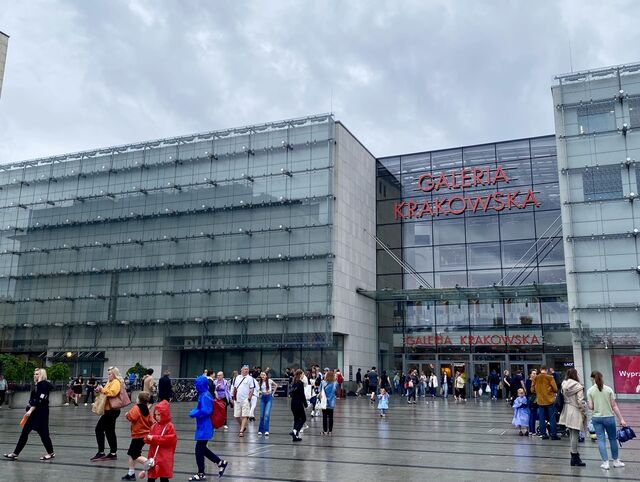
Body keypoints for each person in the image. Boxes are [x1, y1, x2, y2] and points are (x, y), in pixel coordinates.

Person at [3, 368, 54, 460]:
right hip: (35, 413)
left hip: (40, 414)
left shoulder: (43, 385)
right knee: (25, 433)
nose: (35, 375)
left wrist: (30, 410)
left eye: (37, 374)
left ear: (42, 375)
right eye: (34, 374)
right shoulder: (38, 385)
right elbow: (35, 398)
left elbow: (40, 400)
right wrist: (29, 406)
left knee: (44, 435)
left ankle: (50, 453)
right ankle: (15, 453)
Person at [188, 375, 228, 480]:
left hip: (205, 426)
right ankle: (220, 462)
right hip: (204, 425)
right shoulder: (204, 394)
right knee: (202, 448)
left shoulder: (205, 395)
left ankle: (201, 473)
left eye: (197, 384)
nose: (196, 386)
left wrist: (194, 412)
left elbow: (207, 410)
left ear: (201, 385)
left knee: (199, 449)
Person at [587, 370, 627, 470]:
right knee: (613, 439)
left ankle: (605, 463)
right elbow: (614, 406)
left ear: (592, 379)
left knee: (601, 440)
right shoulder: (608, 389)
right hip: (609, 417)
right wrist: (621, 419)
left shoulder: (590, 391)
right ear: (602, 378)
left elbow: (591, 407)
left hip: (597, 418)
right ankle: (616, 461)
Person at [91, 366, 126, 461]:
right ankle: (113, 452)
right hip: (110, 410)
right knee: (109, 431)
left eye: (110, 374)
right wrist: (100, 390)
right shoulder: (110, 382)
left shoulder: (116, 382)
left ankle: (101, 452)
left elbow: (113, 393)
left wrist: (102, 390)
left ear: (114, 374)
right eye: (108, 374)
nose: (108, 375)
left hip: (112, 411)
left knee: (99, 429)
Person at [140, 400, 178, 482]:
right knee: (151, 477)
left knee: (163, 477)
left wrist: (153, 438)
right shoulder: (154, 426)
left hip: (164, 457)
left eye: (159, 415)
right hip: (154, 455)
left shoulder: (169, 426)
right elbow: (149, 437)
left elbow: (169, 440)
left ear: (164, 414)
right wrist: (148, 438)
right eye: (156, 414)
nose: (157, 416)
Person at [559, 368, 587, 467]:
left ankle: (574, 456)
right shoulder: (578, 386)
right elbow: (580, 401)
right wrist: (583, 411)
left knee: (571, 434)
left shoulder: (564, 384)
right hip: (575, 410)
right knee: (575, 434)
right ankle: (574, 457)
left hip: (566, 409)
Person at [122, 391, 153, 480]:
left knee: (134, 454)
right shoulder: (147, 409)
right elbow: (151, 421)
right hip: (145, 435)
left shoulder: (136, 408)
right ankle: (131, 473)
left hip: (138, 434)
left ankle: (149, 463)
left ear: (138, 399)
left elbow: (133, 417)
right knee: (132, 454)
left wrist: (127, 415)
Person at [532, 366, 559, 440]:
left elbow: (532, 389)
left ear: (540, 370)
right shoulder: (550, 377)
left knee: (542, 418)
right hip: (549, 400)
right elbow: (555, 389)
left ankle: (543, 434)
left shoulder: (536, 378)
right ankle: (553, 435)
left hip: (540, 401)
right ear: (546, 370)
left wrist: (538, 392)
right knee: (552, 418)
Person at [231, 365, 254, 437]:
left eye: (247, 369)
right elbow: (234, 388)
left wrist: (249, 398)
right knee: (236, 416)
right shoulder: (237, 378)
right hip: (237, 399)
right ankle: (242, 426)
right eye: (245, 369)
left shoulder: (250, 378)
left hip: (245, 400)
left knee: (244, 415)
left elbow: (252, 388)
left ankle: (241, 431)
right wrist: (232, 398)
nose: (246, 370)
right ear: (241, 370)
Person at [289, 369, 307, 441]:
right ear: (300, 375)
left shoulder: (293, 383)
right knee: (303, 418)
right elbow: (302, 395)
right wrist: (305, 404)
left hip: (293, 404)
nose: (303, 375)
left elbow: (291, 394)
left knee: (296, 419)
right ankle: (295, 430)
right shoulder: (300, 383)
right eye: (302, 374)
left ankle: (295, 437)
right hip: (298, 404)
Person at [257, 371, 277, 436]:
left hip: (269, 398)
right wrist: (260, 392)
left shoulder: (270, 381)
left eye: (264, 375)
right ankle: (260, 430)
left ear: (266, 375)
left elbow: (276, 385)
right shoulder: (260, 382)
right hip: (263, 398)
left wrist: (273, 393)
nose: (263, 376)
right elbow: (257, 390)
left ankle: (266, 430)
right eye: (262, 375)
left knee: (267, 414)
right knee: (262, 415)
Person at [320, 370, 338, 435]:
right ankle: (330, 431)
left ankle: (324, 431)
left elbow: (320, 391)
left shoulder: (322, 382)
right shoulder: (335, 383)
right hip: (331, 403)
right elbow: (336, 391)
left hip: (324, 403)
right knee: (331, 417)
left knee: (324, 417)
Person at [525, 369, 538, 436]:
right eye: (533, 373)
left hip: (535, 400)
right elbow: (529, 391)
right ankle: (532, 431)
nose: (535, 374)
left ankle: (531, 430)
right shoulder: (528, 381)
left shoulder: (536, 381)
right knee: (532, 415)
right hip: (532, 400)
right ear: (530, 374)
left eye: (536, 373)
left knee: (533, 415)